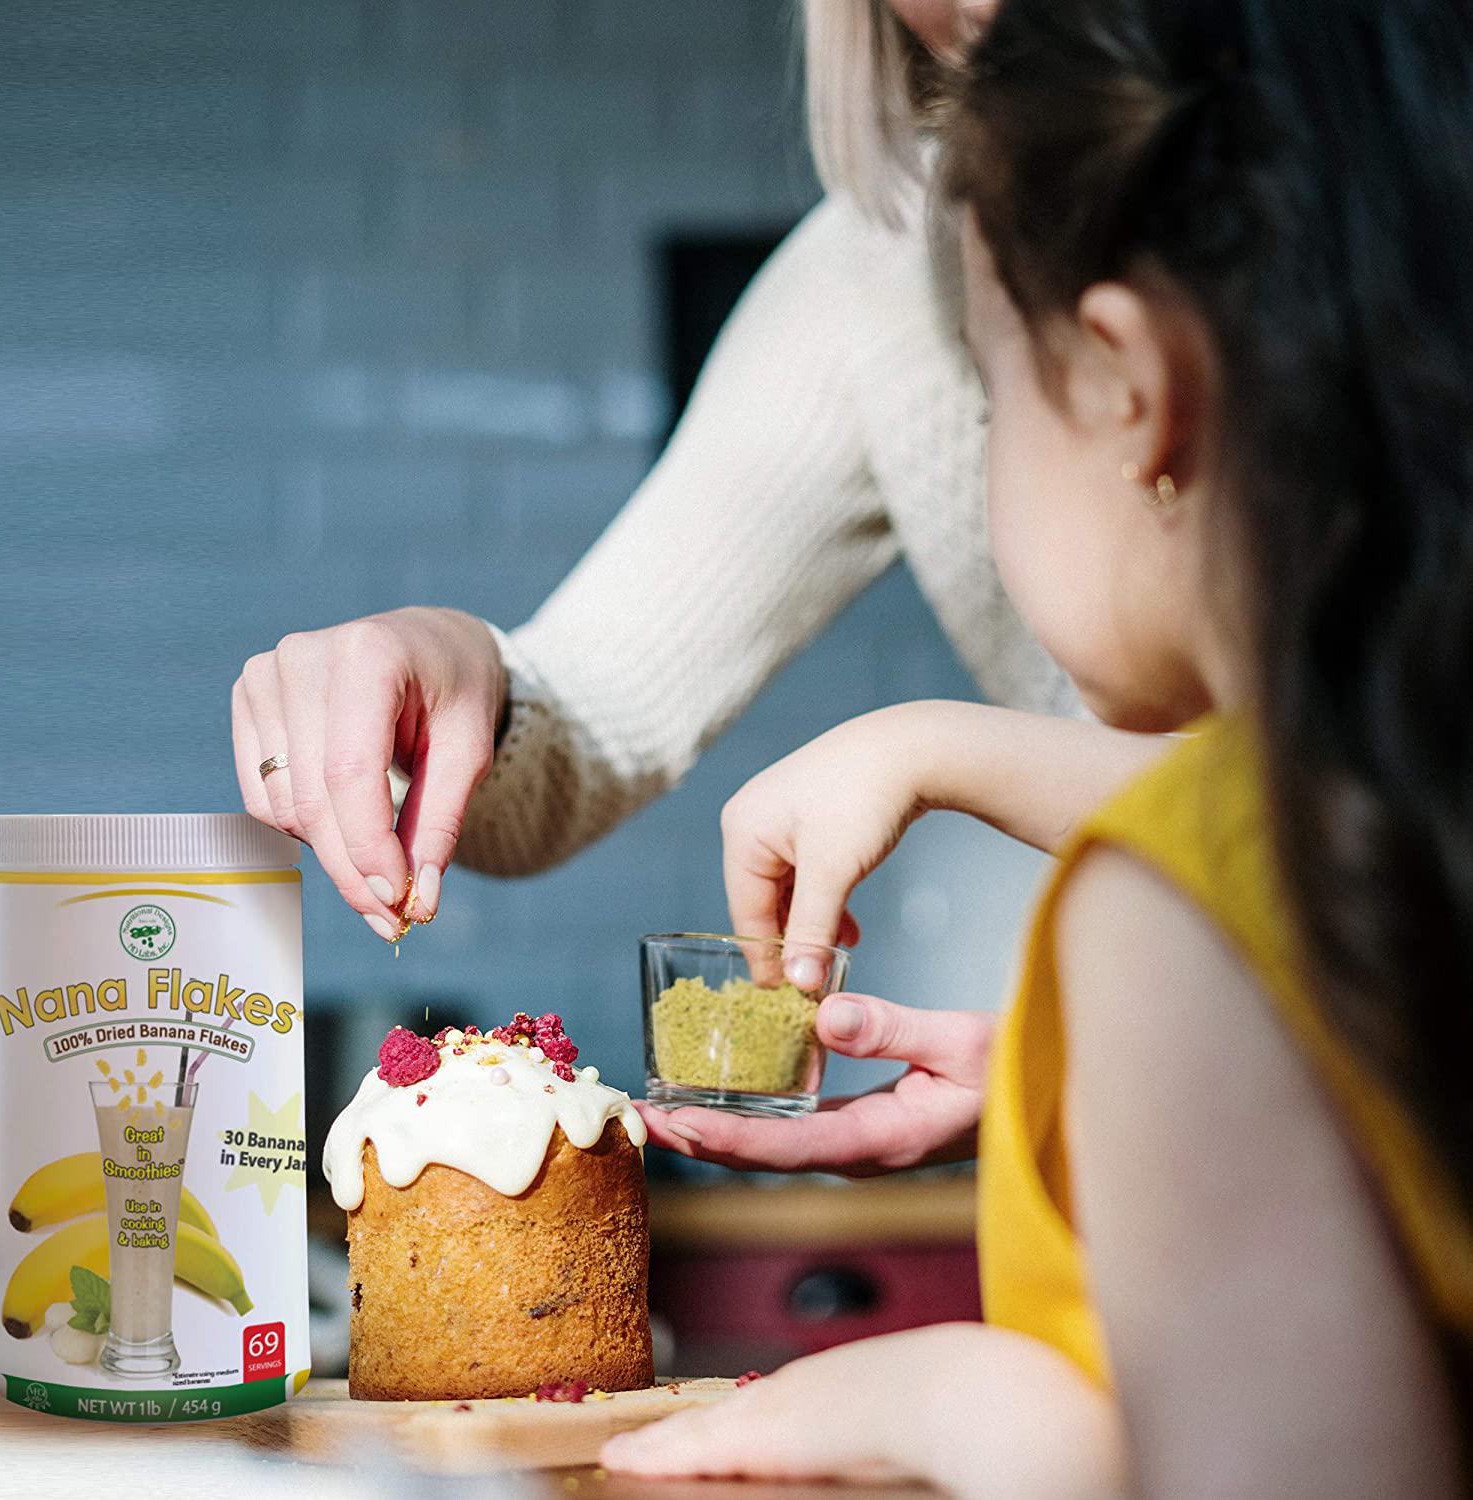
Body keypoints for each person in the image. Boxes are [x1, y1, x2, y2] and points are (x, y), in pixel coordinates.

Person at [605, 0, 1473, 1491]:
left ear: (1132, 391)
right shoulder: (1394, 806)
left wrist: (970, 1403)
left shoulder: (1169, 918)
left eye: (991, 392)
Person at [232, 0, 1166, 1172]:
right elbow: (594, 713)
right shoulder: (889, 256)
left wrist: (944, 750)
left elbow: (1336, 804)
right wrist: (454, 666)